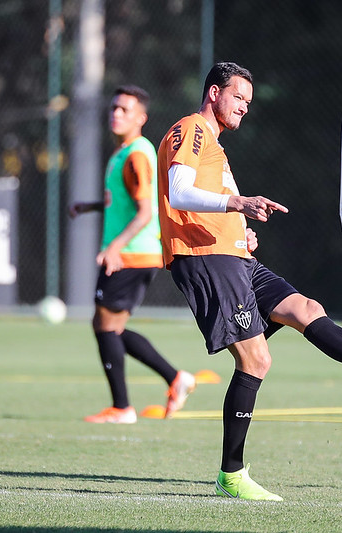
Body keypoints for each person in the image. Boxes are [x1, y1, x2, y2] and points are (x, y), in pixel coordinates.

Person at [156, 61, 342, 501]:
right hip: (206, 260)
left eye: (249, 102)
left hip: (233, 254)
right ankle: (231, 475)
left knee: (307, 309)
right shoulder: (192, 129)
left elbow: (201, 204)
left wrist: (238, 224)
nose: (244, 108)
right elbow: (178, 191)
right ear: (213, 93)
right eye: (238, 97)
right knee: (256, 361)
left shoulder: (214, 143)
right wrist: (238, 202)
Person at [70, 85, 196, 424]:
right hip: (132, 253)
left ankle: (123, 407)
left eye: (125, 110)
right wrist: (91, 207)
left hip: (131, 254)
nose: (117, 114)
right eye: (114, 108)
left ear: (141, 117)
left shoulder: (138, 154)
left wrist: (113, 248)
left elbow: (144, 212)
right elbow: (125, 204)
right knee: (110, 327)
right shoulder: (123, 152)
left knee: (105, 327)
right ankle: (175, 378)